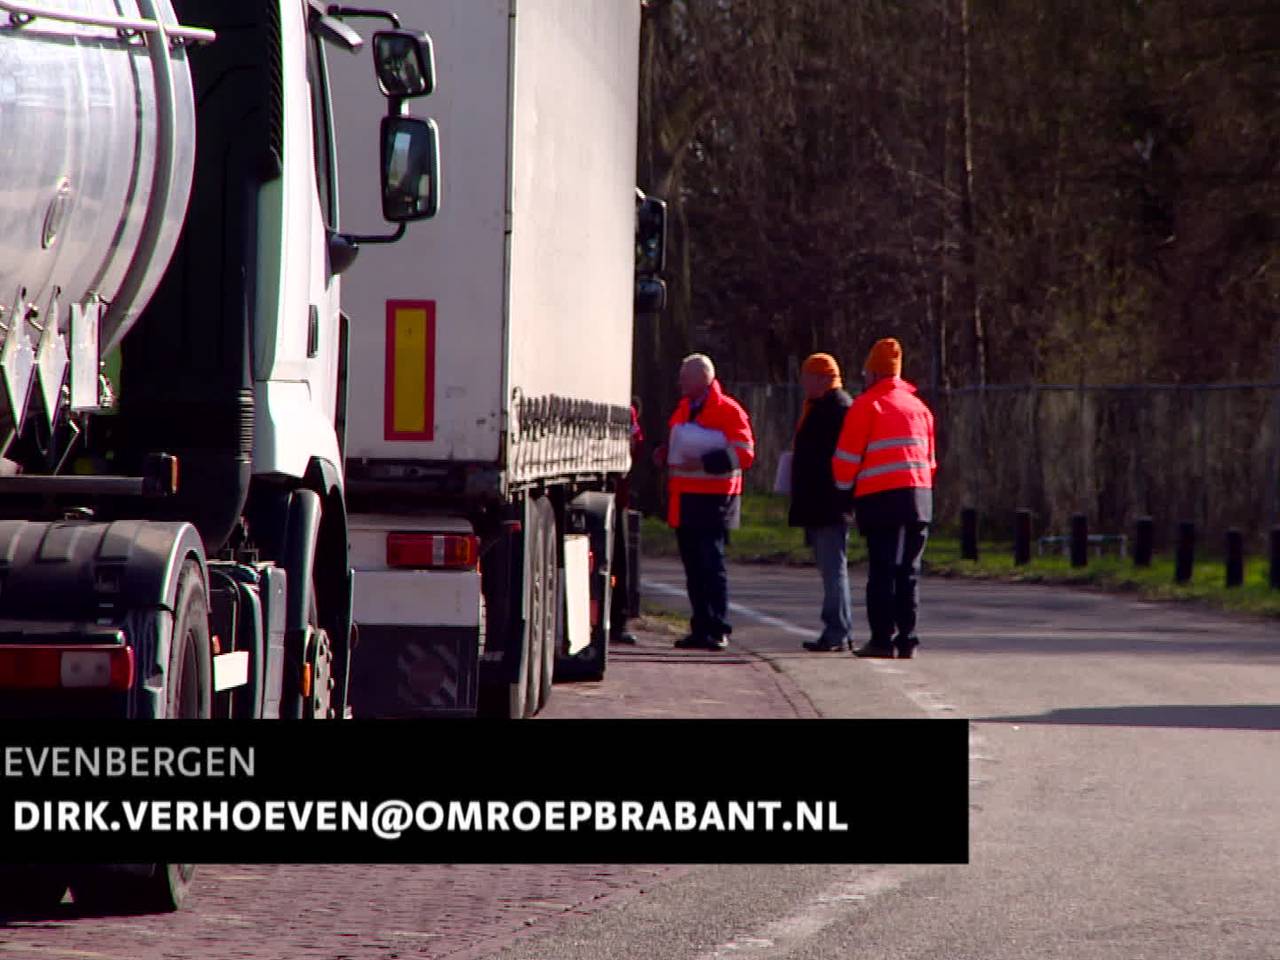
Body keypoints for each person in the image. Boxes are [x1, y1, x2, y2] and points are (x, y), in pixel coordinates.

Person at [831, 338, 936, 659]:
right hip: (917, 498)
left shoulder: (867, 405)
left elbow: (846, 459)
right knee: (907, 570)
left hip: (881, 499)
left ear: (873, 373)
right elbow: (930, 459)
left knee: (883, 571)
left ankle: (884, 639)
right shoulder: (919, 408)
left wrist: (843, 489)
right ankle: (906, 638)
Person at [655, 354, 755, 651]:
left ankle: (717, 628)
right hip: (685, 499)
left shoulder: (728, 411)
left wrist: (702, 463)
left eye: (685, 377)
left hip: (716, 500)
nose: (679, 382)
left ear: (703, 379)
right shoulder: (684, 409)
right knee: (693, 567)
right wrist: (664, 454)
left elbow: (745, 453)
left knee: (712, 566)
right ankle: (700, 627)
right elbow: (676, 444)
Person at [788, 354, 855, 652]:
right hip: (819, 502)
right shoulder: (819, 407)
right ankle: (837, 627)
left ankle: (837, 629)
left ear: (823, 378)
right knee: (829, 568)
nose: (803, 383)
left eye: (808, 377)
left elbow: (834, 459)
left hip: (829, 503)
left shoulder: (837, 409)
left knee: (833, 568)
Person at [609, 398, 645, 645]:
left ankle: (618, 618)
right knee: (617, 561)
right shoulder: (625, 410)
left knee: (618, 561)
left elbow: (635, 444)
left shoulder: (626, 411)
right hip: (616, 494)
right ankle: (618, 620)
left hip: (616, 495)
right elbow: (636, 444)